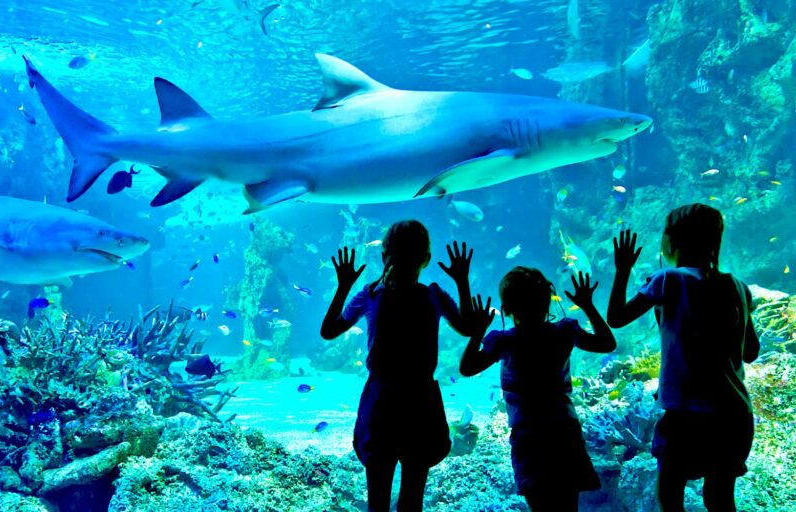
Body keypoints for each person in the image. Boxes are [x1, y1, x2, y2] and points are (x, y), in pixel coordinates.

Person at [606, 205, 760, 512]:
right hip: (734, 416)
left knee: (670, 496)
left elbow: (616, 317)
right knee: (719, 500)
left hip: (688, 417)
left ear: (671, 242)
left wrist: (622, 270)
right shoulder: (738, 287)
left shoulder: (668, 280)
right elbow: (751, 352)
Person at [320, 220, 473, 512]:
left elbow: (329, 331)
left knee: (377, 498)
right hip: (420, 402)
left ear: (383, 255)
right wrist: (462, 281)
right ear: (426, 259)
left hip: (381, 402)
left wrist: (343, 286)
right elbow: (466, 327)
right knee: (412, 498)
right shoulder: (432, 295)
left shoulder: (371, 294)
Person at [459, 267, 614, 511]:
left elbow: (467, 367)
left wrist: (478, 330)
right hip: (565, 433)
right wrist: (587, 305)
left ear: (508, 309)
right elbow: (606, 343)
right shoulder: (563, 332)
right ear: (547, 301)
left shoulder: (505, 342)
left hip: (529, 437)